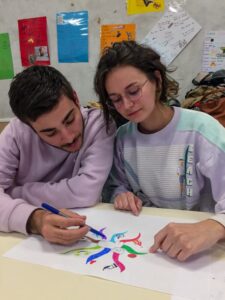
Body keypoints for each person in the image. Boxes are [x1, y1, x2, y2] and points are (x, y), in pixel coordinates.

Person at [94, 40, 225, 261]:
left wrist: (215, 226)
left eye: (133, 91)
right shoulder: (123, 138)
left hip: (202, 251)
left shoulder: (202, 130)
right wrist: (121, 195)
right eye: (116, 100)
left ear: (157, 79)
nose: (127, 105)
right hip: (149, 245)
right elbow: (115, 185)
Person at [0, 65, 116, 245]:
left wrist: (13, 193)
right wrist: (35, 219)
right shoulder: (16, 133)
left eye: (70, 120)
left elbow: (86, 191)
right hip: (20, 241)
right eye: (50, 132)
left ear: (76, 99)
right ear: (29, 127)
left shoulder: (99, 124)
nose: (68, 137)